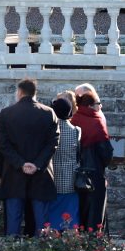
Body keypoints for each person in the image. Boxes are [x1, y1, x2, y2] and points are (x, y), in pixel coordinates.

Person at [0, 78, 59, 236]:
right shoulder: (48, 113)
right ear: (34, 93)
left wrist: (20, 164)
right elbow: (53, 143)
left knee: (13, 217)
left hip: (13, 173)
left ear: (20, 92)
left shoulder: (7, 113)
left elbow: (3, 145)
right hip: (41, 173)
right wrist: (37, 164)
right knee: (41, 220)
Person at [71, 92, 113, 231]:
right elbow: (106, 153)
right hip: (95, 174)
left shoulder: (74, 119)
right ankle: (95, 244)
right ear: (90, 106)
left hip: (76, 175)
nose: (100, 106)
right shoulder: (97, 122)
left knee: (80, 210)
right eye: (98, 104)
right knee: (96, 212)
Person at [47, 98, 81, 230]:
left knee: (52, 213)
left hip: (52, 177)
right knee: (70, 214)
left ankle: (52, 237)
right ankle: (70, 240)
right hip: (70, 178)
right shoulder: (76, 131)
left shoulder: (49, 130)